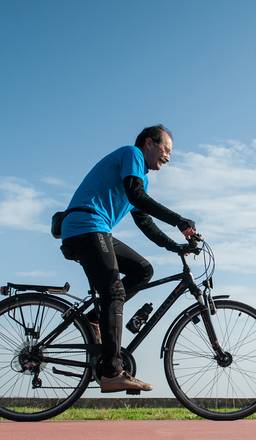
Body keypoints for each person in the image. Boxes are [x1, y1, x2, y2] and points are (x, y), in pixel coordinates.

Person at [59, 124, 196, 393]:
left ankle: (94, 320)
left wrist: (174, 247)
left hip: (94, 229)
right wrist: (178, 220)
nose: (168, 157)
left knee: (143, 270)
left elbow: (144, 221)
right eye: (166, 149)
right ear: (148, 143)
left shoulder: (138, 177)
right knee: (114, 292)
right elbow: (136, 195)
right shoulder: (132, 155)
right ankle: (112, 372)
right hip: (86, 226)